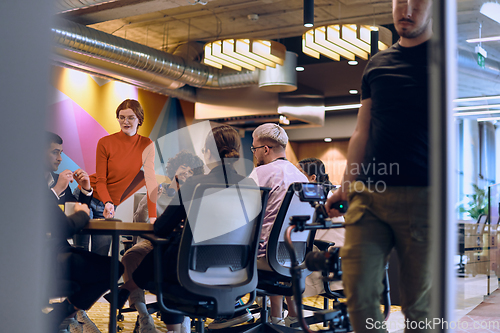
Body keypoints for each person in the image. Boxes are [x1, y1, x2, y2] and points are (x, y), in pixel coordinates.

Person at [325, 1, 433, 332]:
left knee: (418, 306)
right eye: (401, 1)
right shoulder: (377, 64)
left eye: (417, 2)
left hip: (424, 197)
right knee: (358, 290)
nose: (407, 9)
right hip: (369, 195)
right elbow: (362, 130)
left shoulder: (445, 59)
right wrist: (345, 185)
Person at [131, 124, 256, 333]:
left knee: (162, 261)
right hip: (237, 270)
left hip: (193, 270)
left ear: (208, 153)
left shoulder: (196, 184)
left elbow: (162, 228)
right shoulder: (250, 185)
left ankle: (169, 325)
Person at [114, 151, 203, 333]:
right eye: (183, 167)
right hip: (151, 242)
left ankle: (183, 317)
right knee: (130, 257)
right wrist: (150, 201)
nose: (187, 172)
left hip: (179, 244)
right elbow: (139, 220)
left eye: (191, 171)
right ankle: (144, 315)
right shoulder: (157, 189)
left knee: (178, 262)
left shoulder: (193, 195)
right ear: (174, 169)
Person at [75, 99, 158, 255]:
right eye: (121, 117)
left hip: (110, 206)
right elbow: (101, 180)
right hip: (87, 197)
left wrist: (153, 217)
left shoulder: (146, 144)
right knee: (81, 252)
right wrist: (107, 202)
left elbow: (151, 181)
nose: (125, 121)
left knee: (101, 255)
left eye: (130, 117)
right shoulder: (105, 142)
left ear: (139, 119)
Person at [249, 123, 308, 327]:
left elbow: (243, 215)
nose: (255, 154)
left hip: (264, 257)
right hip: (295, 256)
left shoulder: (260, 174)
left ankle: (234, 315)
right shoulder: (301, 178)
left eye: (254, 149)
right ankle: (283, 318)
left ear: (265, 149)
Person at [45, 190, 124, 333]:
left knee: (101, 265)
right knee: (113, 268)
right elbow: (63, 227)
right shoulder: (31, 185)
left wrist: (86, 192)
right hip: (47, 258)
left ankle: (65, 316)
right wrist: (82, 214)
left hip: (48, 253)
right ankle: (63, 315)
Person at [45, 131, 93, 207]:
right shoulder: (25, 181)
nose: (60, 159)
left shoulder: (60, 179)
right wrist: (57, 189)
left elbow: (76, 214)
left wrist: (85, 189)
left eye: (60, 153)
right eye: (54, 152)